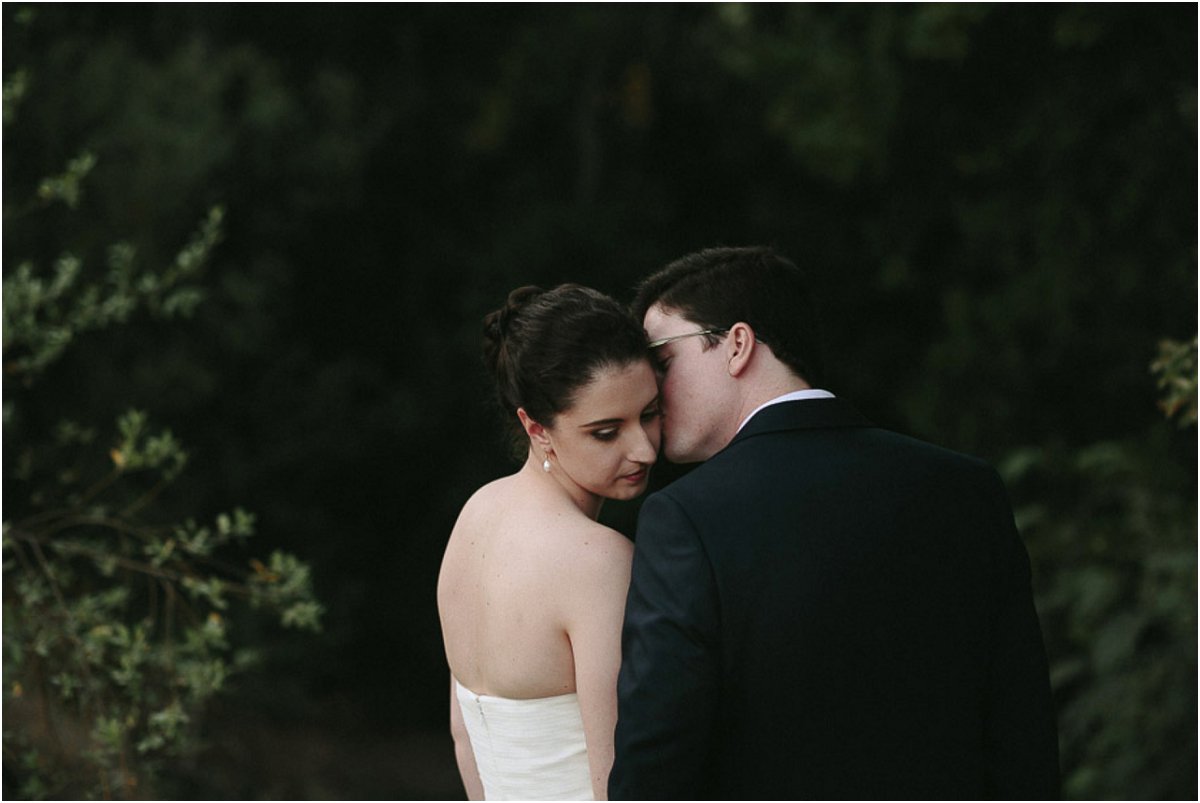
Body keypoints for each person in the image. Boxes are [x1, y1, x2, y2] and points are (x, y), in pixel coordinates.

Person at [609, 246, 1060, 800]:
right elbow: (1023, 734)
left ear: (737, 345)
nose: (650, 389)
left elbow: (656, 763)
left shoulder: (686, 517)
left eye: (661, 360)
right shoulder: (967, 489)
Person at [438, 284, 662, 800]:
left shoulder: (477, 514)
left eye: (649, 414)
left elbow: (464, 737)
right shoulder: (598, 560)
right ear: (536, 428)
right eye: (606, 432)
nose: (645, 450)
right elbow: (620, 776)